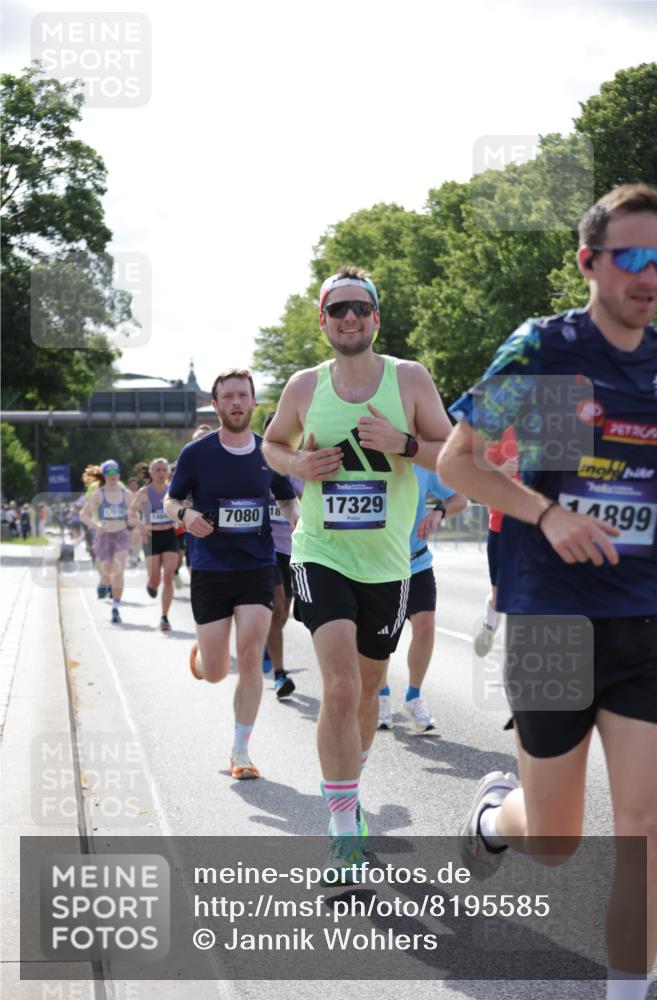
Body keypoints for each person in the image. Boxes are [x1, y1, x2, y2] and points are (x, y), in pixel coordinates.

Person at [437, 183, 657, 1000]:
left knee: (646, 830)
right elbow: (460, 465)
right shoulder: (554, 356)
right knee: (556, 840)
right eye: (632, 257)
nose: (650, 276)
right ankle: (494, 818)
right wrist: (547, 512)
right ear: (587, 263)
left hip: (647, 620)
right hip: (550, 619)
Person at [262, 266, 452, 882]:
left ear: (375, 318)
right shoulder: (303, 386)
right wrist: (298, 462)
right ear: (323, 320)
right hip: (320, 552)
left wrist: (402, 443)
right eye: (337, 308)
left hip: (390, 563)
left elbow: (454, 455)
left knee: (369, 691)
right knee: (340, 688)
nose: (349, 317)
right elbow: (273, 446)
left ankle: (351, 783)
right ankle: (343, 835)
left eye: (359, 309)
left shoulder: (409, 379)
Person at [164, 369, 299, 780]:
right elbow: (171, 501)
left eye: (243, 395)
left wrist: (296, 522)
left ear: (254, 403)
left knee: (252, 651)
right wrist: (186, 514)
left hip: (257, 564)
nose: (237, 402)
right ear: (216, 404)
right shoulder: (197, 454)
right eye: (229, 396)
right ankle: (205, 660)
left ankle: (241, 749)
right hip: (210, 567)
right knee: (219, 671)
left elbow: (288, 500)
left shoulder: (269, 453)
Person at [377, 466, 467, 732]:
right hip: (378, 565)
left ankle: (413, 697)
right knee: (380, 637)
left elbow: (460, 498)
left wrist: (438, 512)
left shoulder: (420, 462)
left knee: (425, 624)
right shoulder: (369, 457)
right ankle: (380, 696)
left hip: (416, 561)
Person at [262, 411, 304, 700]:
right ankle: (280, 675)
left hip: (296, 550)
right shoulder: (258, 468)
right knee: (277, 609)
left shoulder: (302, 468)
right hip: (267, 550)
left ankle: (268, 641)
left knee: (283, 613)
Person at [472, 426, 519, 657]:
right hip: (501, 526)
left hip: (536, 528)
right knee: (500, 595)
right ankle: (490, 625)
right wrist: (501, 472)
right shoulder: (502, 436)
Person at [80, 461, 138, 624]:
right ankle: (103, 583)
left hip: (121, 536)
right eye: (109, 473)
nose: (113, 476)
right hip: (104, 537)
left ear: (119, 475)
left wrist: (133, 522)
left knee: (118, 571)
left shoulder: (126, 494)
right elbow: (83, 515)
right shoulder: (99, 494)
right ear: (104, 475)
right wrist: (95, 525)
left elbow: (134, 514)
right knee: (107, 573)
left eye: (116, 473)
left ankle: (115, 608)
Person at [129, 458, 180, 632]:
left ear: (168, 473)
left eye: (163, 470)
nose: (160, 473)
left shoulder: (172, 491)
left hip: (169, 535)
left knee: (168, 577)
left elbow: (181, 508)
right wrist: (140, 525)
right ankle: (151, 585)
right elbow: (130, 513)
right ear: (151, 473)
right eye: (157, 470)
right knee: (155, 579)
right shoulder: (145, 492)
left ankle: (164, 617)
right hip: (150, 537)